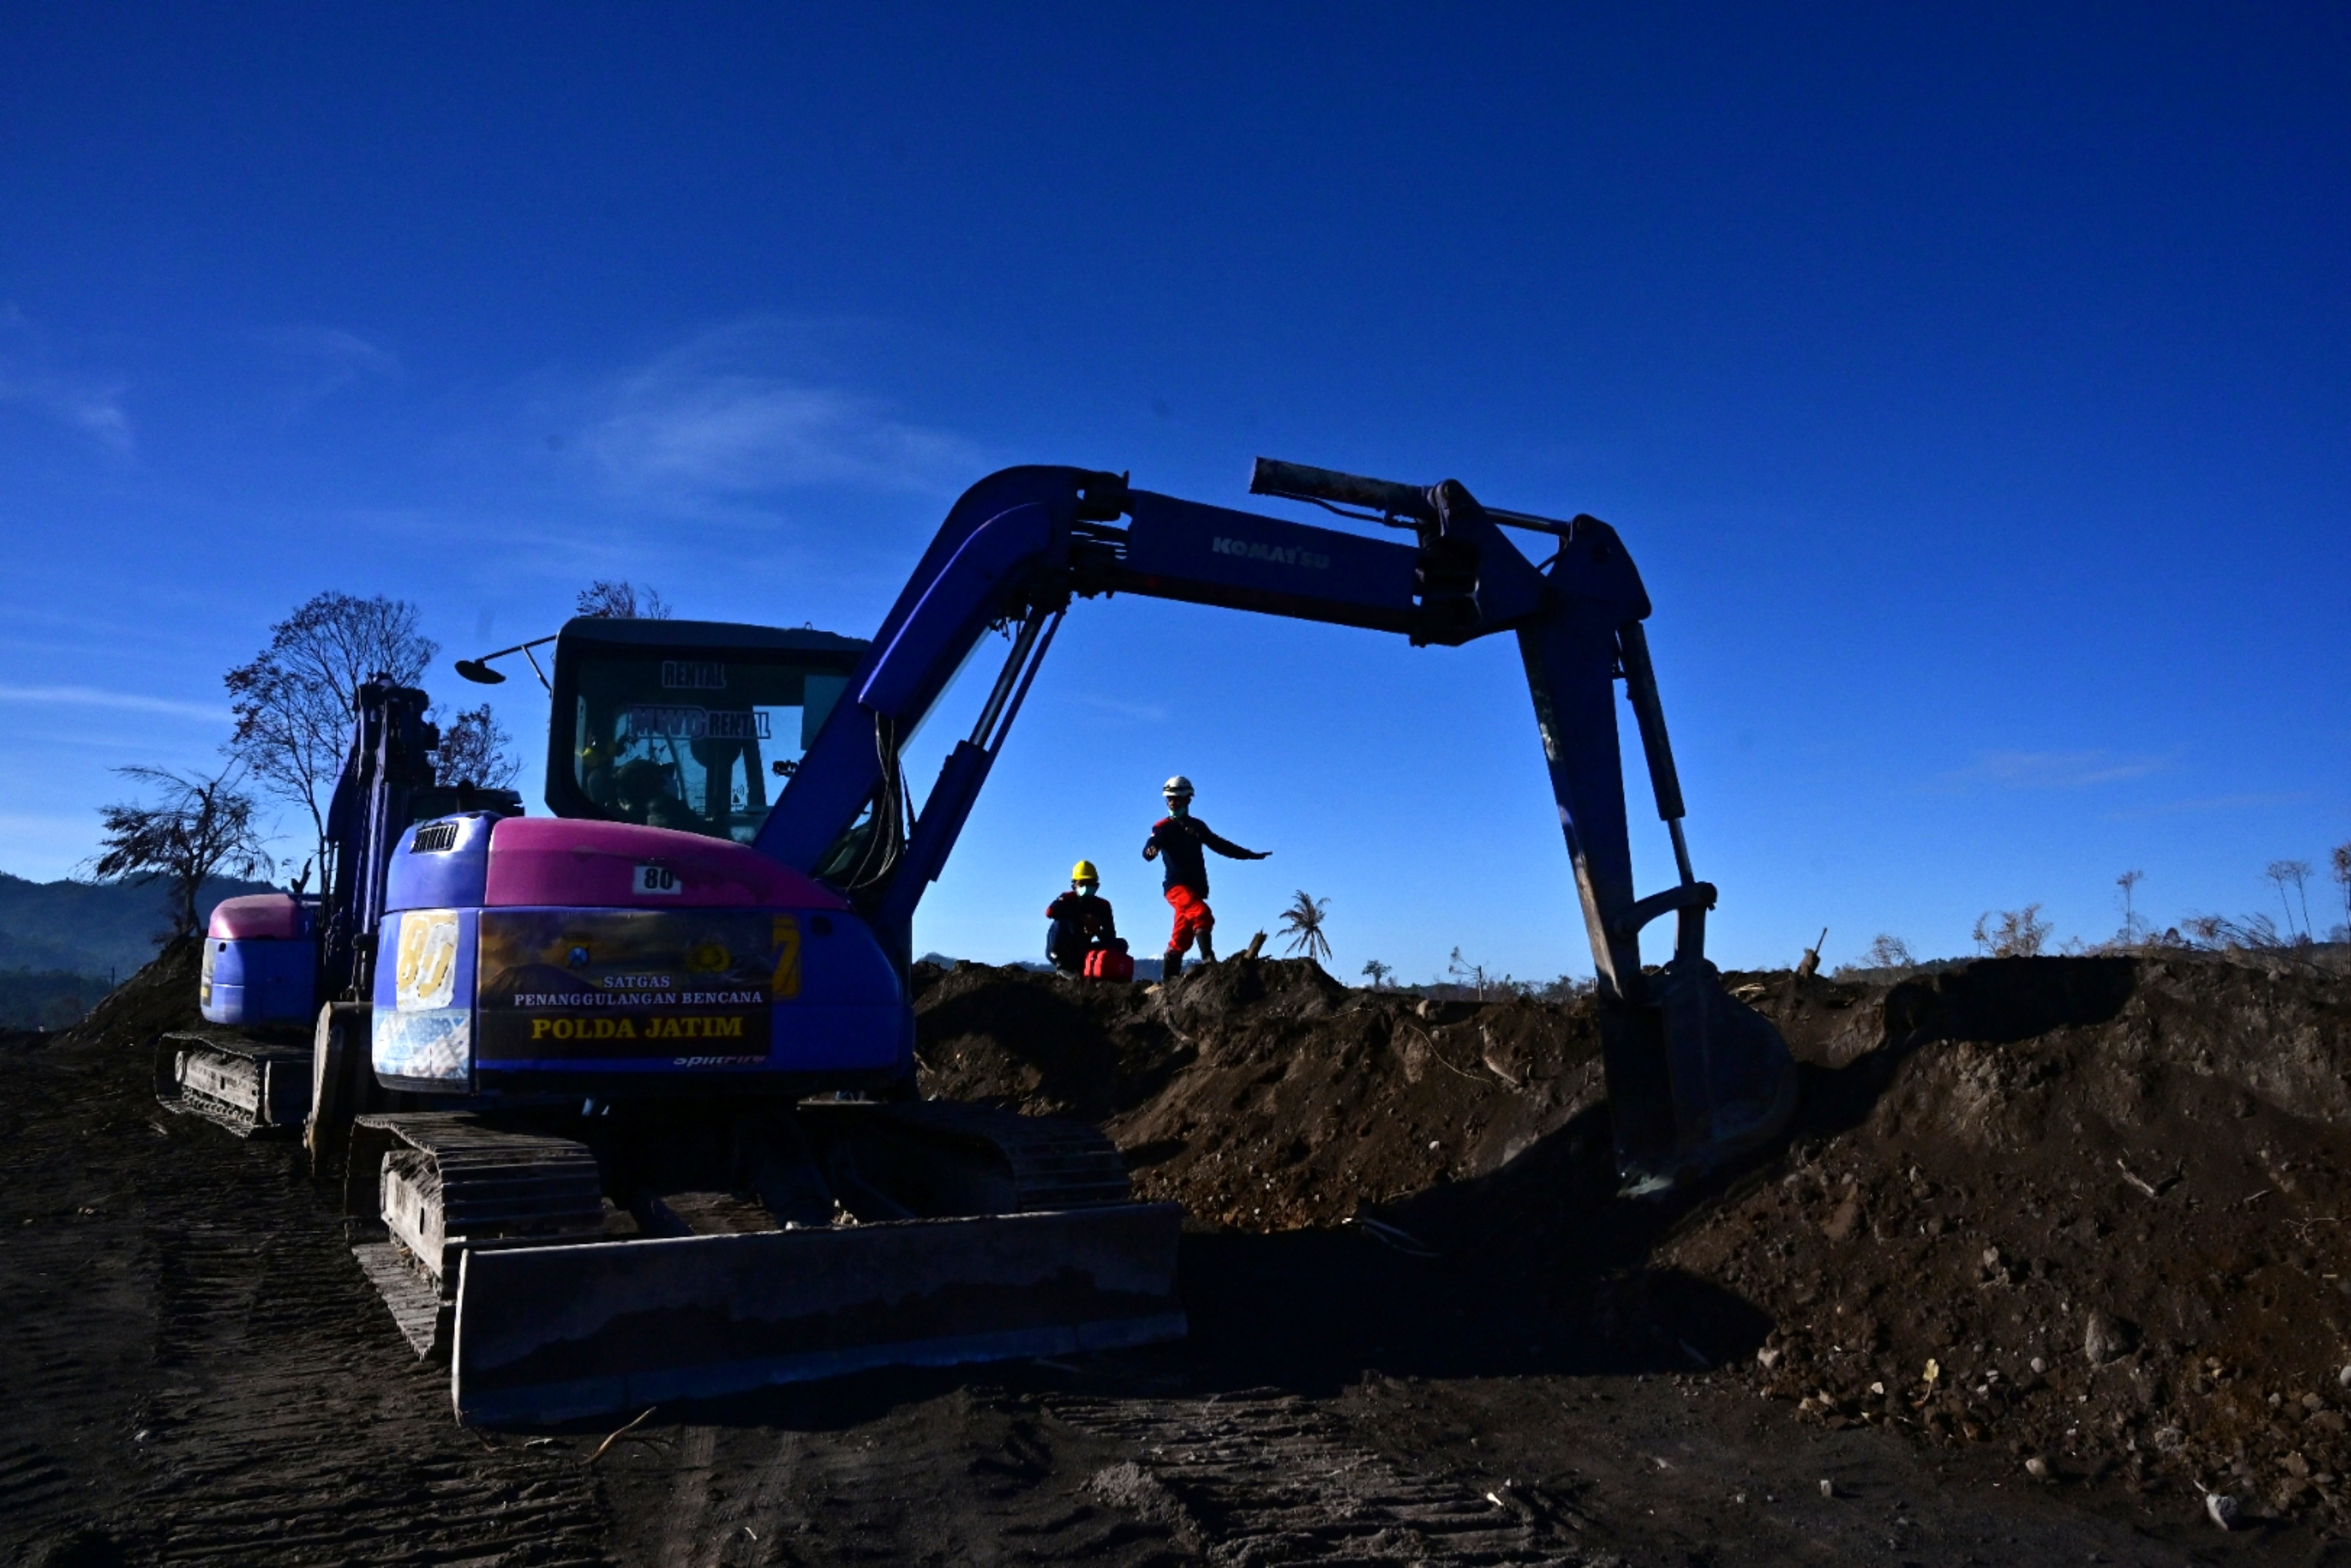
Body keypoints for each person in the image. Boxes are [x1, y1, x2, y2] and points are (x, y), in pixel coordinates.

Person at [1141, 775, 1268, 976]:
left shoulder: (1197, 827)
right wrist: (1151, 851)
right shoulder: (1162, 827)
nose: (1173, 803)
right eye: (1169, 799)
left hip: (1195, 888)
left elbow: (1220, 845)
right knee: (1202, 915)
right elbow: (1151, 845)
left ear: (1188, 799)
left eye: (1177, 799)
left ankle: (1168, 984)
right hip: (1176, 888)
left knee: (1181, 938)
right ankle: (1209, 959)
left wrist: (1249, 855)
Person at [1044, 860, 1123, 974]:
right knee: (1059, 923)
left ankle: (1099, 966)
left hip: (1084, 950)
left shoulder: (1103, 906)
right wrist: (1082, 919)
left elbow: (1110, 936)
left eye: (1090, 883)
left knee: (1120, 944)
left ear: (1097, 886)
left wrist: (1098, 931)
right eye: (1082, 884)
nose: (1086, 887)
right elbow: (1050, 912)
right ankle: (1063, 965)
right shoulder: (1067, 899)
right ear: (1074, 886)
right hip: (1065, 948)